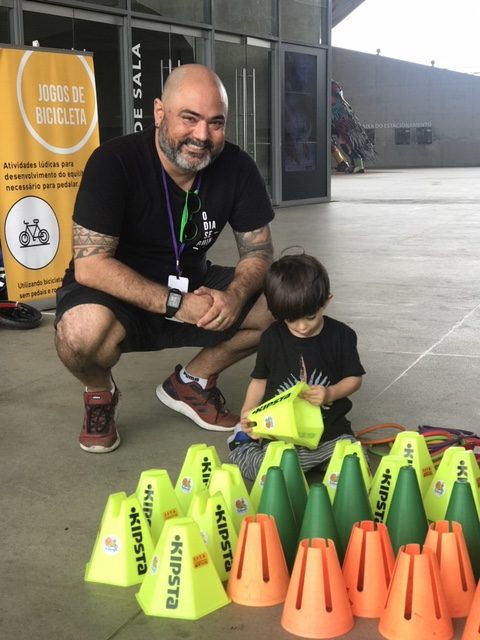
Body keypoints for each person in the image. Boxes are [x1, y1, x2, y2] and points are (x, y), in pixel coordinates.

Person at [54, 64, 275, 454]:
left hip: (194, 285)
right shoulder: (113, 162)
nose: (202, 136)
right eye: (189, 118)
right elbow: (91, 265)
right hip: (115, 294)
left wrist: (237, 296)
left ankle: (192, 382)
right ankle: (99, 393)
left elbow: (258, 251)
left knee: (283, 301)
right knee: (80, 334)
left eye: (216, 122)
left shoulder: (237, 168)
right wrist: (177, 304)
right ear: (159, 113)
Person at [228, 252, 365, 481]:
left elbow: (354, 378)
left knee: (356, 470)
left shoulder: (342, 335)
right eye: (291, 320)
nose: (302, 327)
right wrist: (247, 412)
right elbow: (259, 380)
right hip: (281, 436)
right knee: (270, 475)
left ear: (326, 300)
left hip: (331, 436)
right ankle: (242, 445)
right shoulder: (272, 338)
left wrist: (331, 392)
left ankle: (316, 462)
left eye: (310, 317)